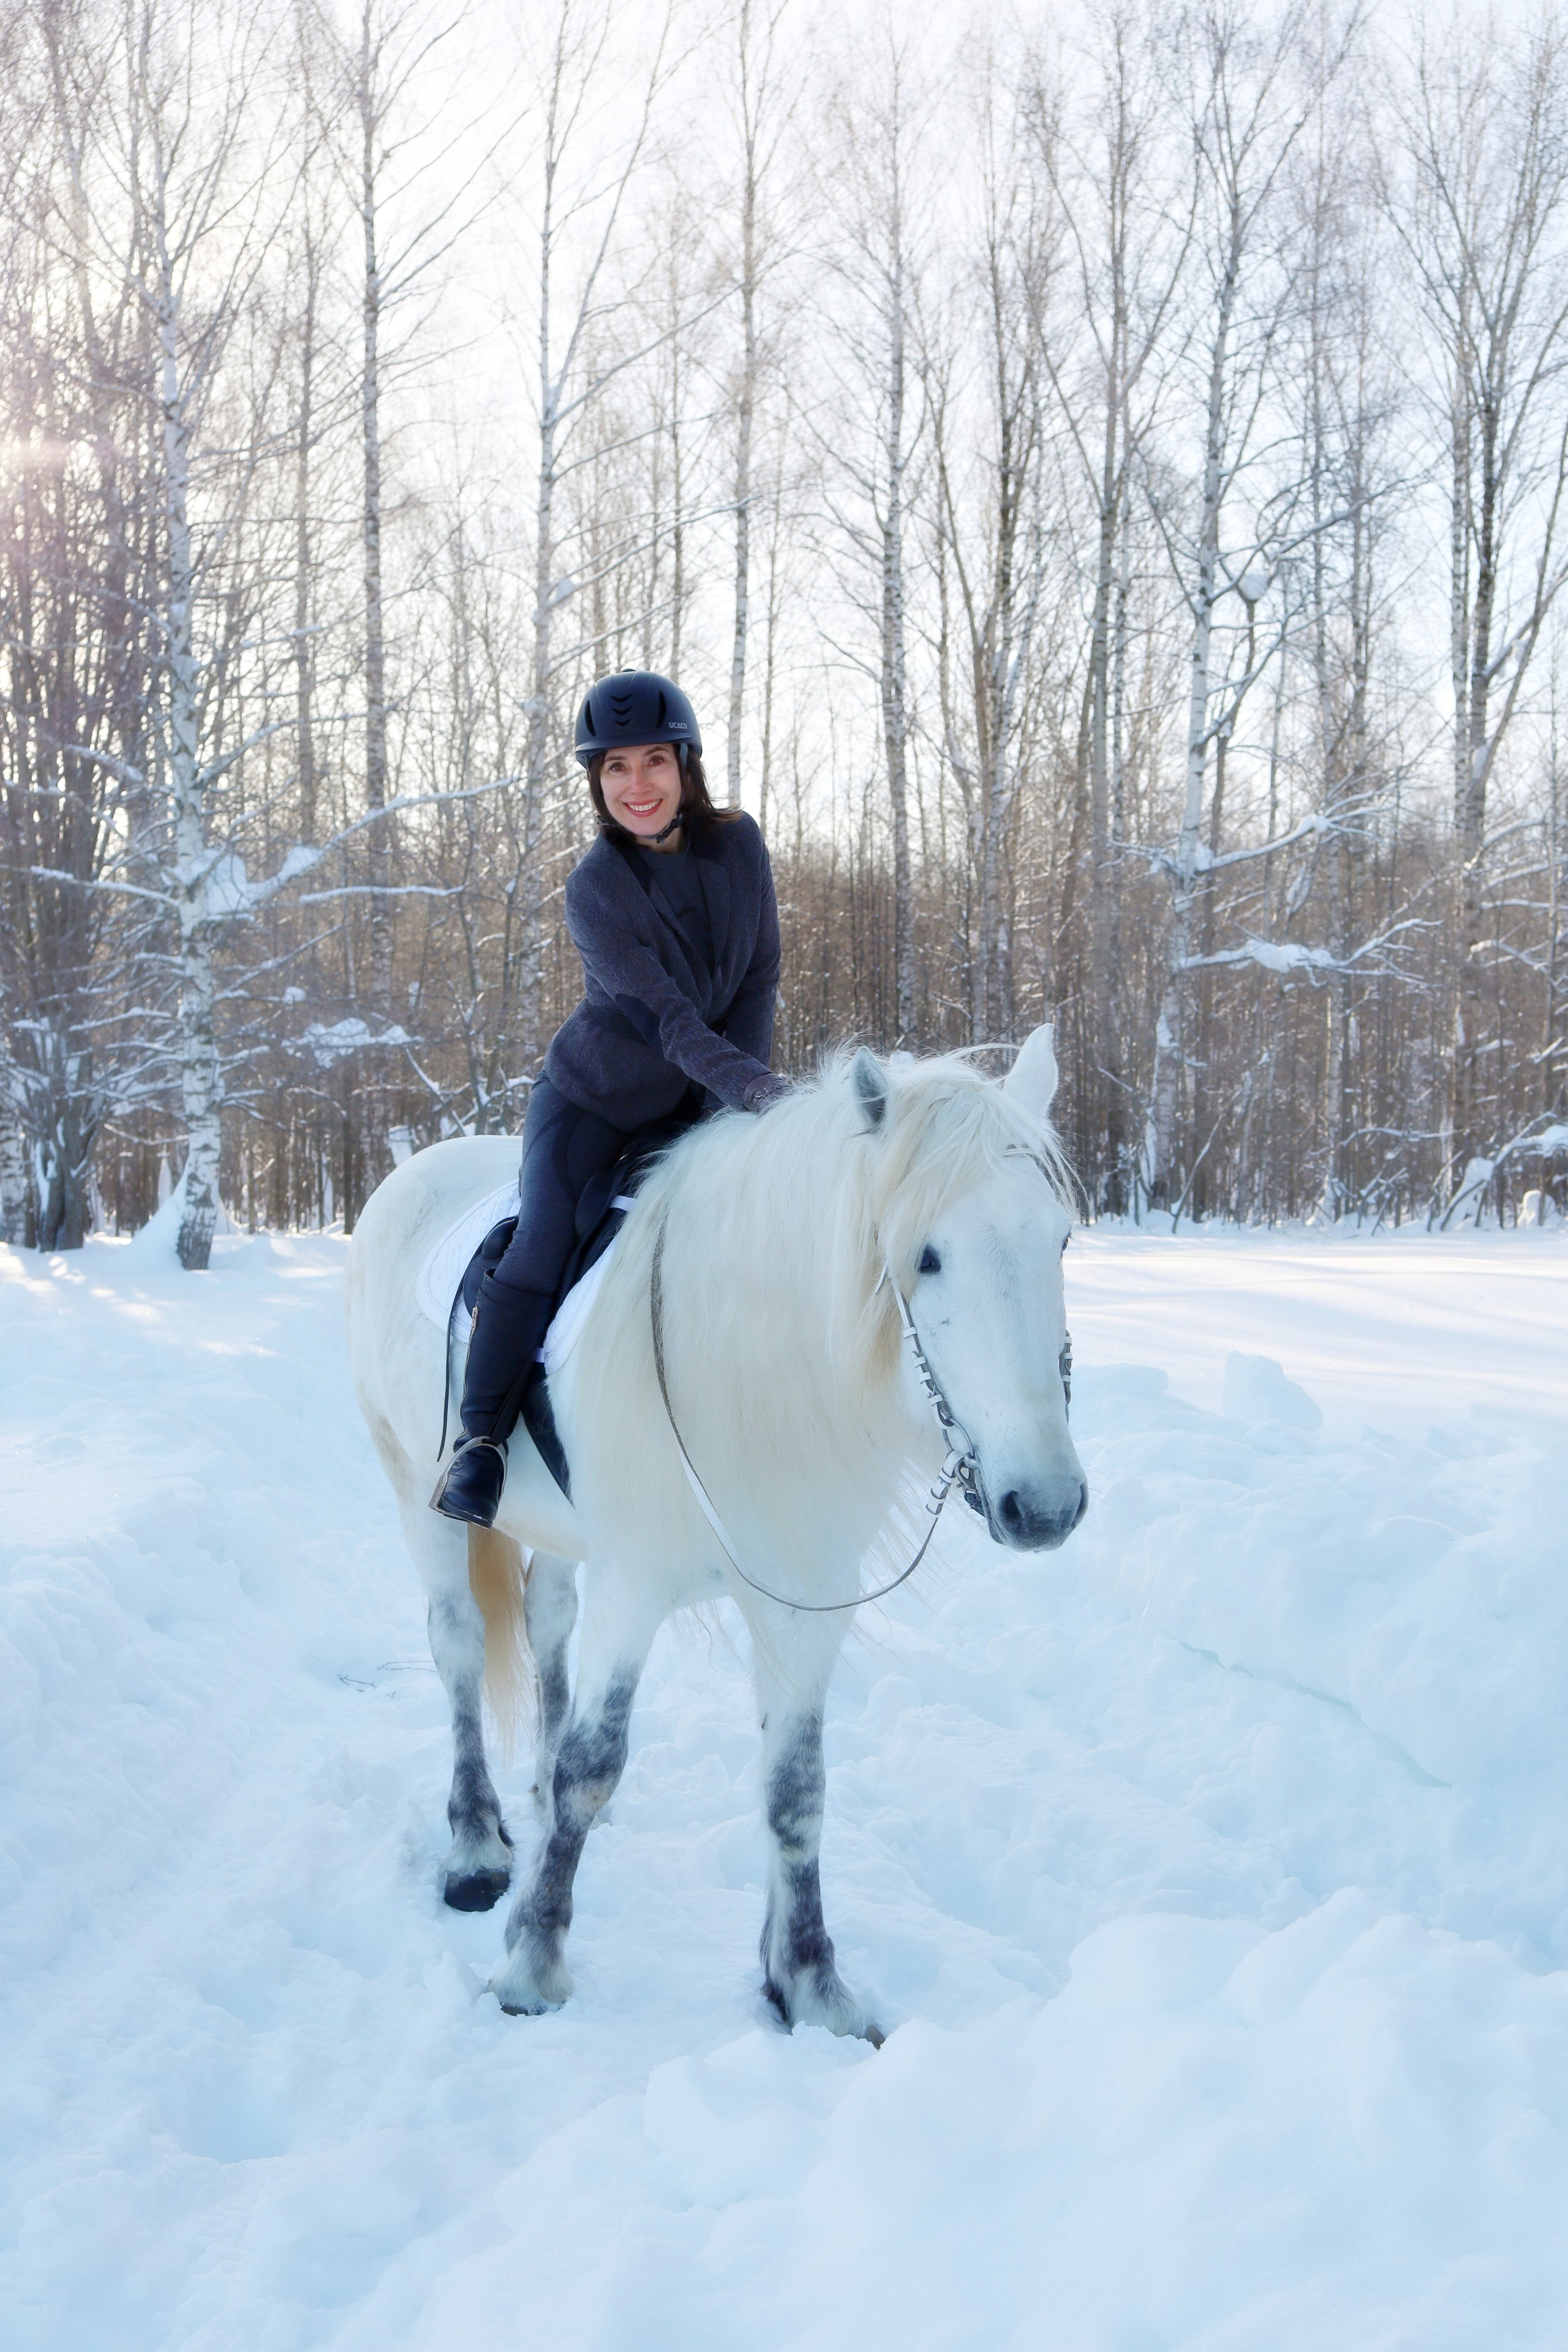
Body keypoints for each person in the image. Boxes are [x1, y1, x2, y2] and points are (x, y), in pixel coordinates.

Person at [431, 668, 786, 1528]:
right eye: (615, 767)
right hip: (594, 1101)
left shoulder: (739, 846)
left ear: (686, 765)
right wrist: (763, 1092)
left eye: (654, 762)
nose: (638, 785)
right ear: (596, 781)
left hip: (700, 1099)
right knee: (547, 1241)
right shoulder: (596, 886)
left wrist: (750, 1113)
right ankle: (478, 1442)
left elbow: (758, 982)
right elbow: (666, 1020)